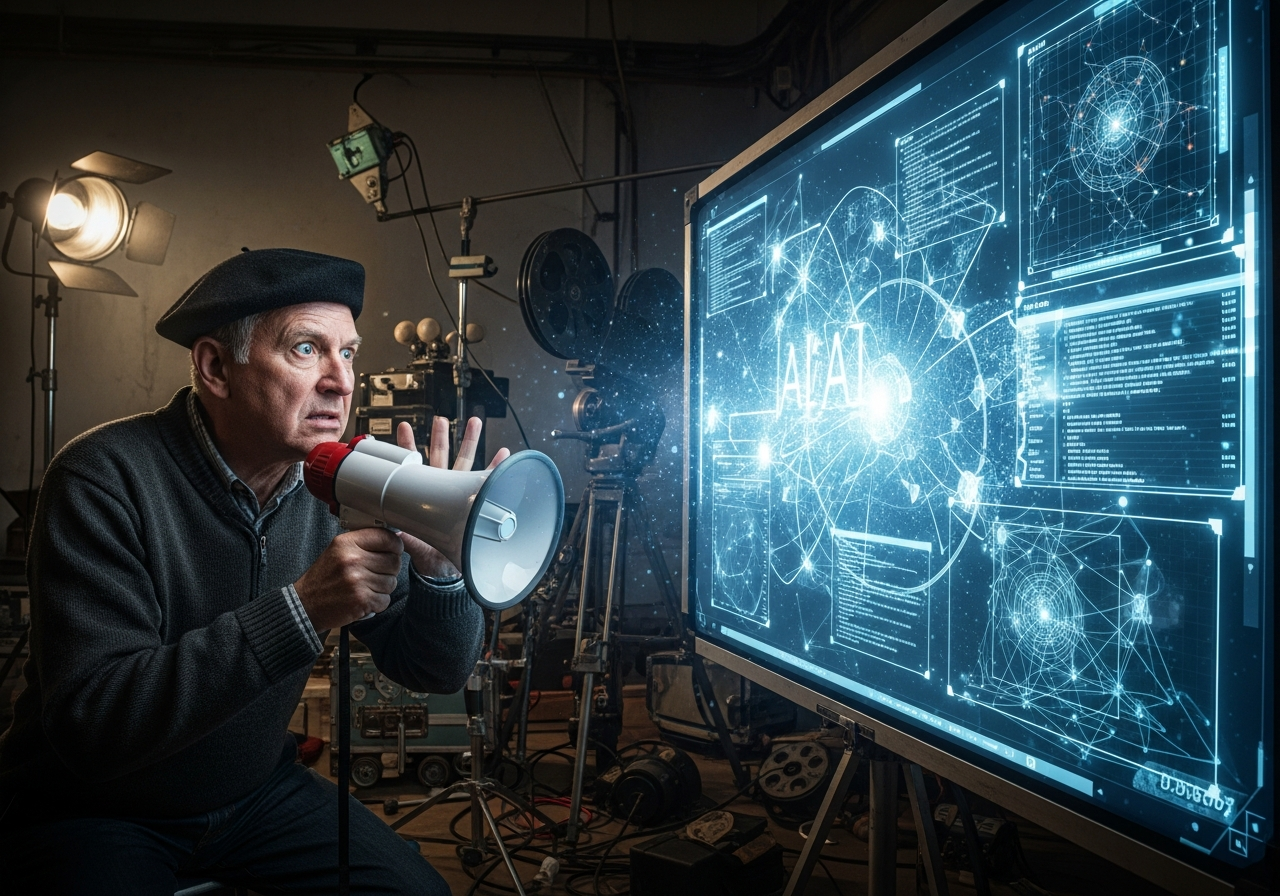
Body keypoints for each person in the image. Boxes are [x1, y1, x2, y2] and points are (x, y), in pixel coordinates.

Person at [0, 248, 500, 894]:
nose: (341, 381)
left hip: (252, 795)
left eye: (348, 353)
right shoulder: (101, 479)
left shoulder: (341, 488)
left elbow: (435, 669)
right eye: (306, 349)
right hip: (95, 807)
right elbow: (94, 725)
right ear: (215, 367)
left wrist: (441, 577)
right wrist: (302, 611)